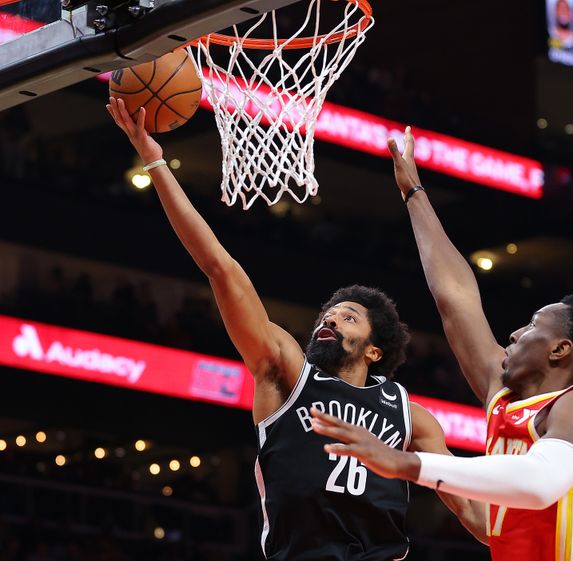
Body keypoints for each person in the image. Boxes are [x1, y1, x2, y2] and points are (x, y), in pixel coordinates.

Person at [105, 100, 486, 560]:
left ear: (374, 351)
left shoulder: (409, 414)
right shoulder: (285, 373)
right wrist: (155, 161)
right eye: (328, 313)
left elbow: (473, 514)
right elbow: (220, 269)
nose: (329, 319)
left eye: (348, 317)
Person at [310, 127, 573, 561]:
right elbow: (456, 300)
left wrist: (407, 464)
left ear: (560, 350)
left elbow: (538, 485)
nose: (514, 334)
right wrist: (414, 193)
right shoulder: (506, 398)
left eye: (533, 325)